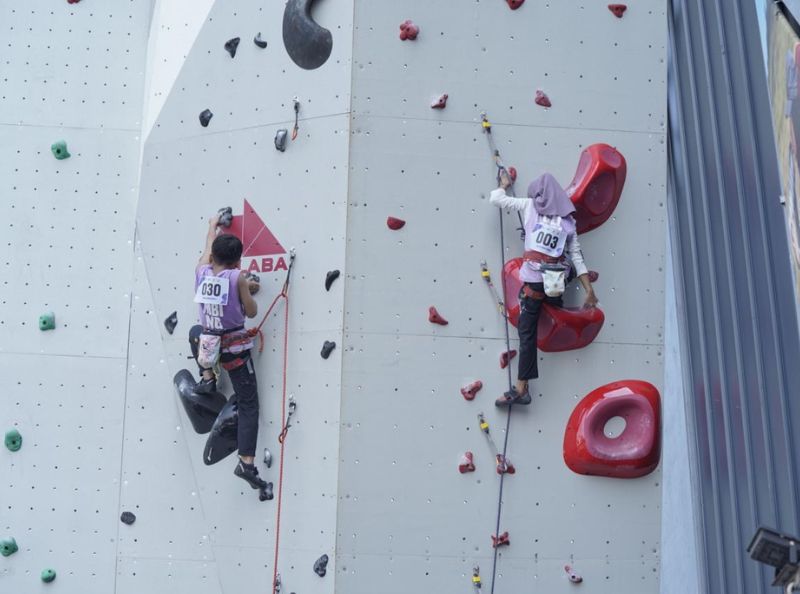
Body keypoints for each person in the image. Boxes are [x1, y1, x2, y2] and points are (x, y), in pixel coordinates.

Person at [489, 170, 598, 407]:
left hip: (535, 284)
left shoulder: (530, 207)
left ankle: (521, 389)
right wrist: (588, 289)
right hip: (555, 283)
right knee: (565, 266)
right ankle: (557, 301)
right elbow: (577, 256)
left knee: (526, 333)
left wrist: (504, 184)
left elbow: (496, 199)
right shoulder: (568, 222)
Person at [193, 214, 265, 487]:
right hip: (234, 351)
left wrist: (212, 226)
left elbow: (207, 250)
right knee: (248, 404)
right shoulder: (237, 277)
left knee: (194, 332)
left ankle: (208, 378)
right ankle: (247, 463)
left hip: (209, 346)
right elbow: (251, 310)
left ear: (212, 257)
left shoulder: (201, 271)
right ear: (238, 261)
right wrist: (248, 288)